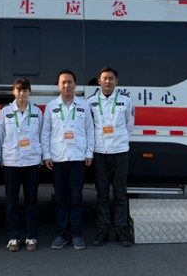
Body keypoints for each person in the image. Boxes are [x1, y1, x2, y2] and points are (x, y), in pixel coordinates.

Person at [41, 70, 94, 250]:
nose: (66, 85)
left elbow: (90, 131)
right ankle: (62, 234)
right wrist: (47, 155)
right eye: (63, 82)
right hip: (58, 158)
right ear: (58, 85)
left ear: (75, 85)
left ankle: (76, 234)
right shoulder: (51, 107)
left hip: (78, 158)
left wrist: (89, 153)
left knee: (77, 198)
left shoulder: (84, 105)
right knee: (61, 198)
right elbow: (45, 132)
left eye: (69, 82)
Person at [88, 67, 135, 247]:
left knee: (120, 194)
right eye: (104, 78)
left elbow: (129, 126)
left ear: (117, 81)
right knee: (102, 194)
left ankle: (122, 230)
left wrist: (118, 140)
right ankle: (103, 230)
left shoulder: (126, 101)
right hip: (100, 153)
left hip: (120, 153)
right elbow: (88, 127)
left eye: (111, 78)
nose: (107, 81)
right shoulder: (91, 102)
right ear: (99, 81)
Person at [0, 78, 43, 252]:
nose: (22, 93)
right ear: (13, 92)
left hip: (32, 161)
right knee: (11, 201)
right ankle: (13, 237)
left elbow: (41, 135)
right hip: (11, 162)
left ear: (29, 92)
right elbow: (0, 136)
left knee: (31, 201)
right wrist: (0, 159)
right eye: (18, 90)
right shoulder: (5, 112)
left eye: (25, 90)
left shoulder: (37, 112)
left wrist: (41, 156)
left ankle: (31, 236)